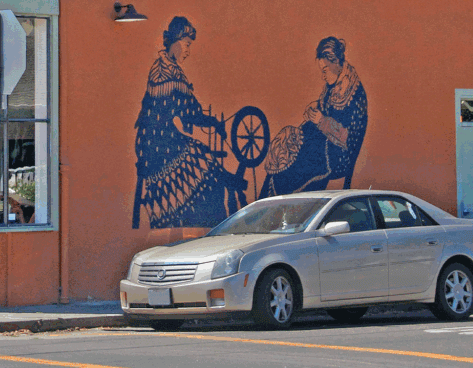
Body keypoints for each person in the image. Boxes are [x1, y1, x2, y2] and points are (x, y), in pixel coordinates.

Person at [132, 16, 244, 229]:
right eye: (186, 44)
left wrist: (209, 122)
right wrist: (214, 123)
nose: (188, 50)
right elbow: (190, 113)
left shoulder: (164, 68)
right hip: (160, 147)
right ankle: (213, 224)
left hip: (154, 143)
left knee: (205, 157)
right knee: (207, 166)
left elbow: (186, 112)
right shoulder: (167, 74)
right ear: (174, 42)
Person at [260, 37, 368, 197]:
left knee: (295, 163)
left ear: (336, 61)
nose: (323, 75)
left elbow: (348, 138)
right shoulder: (333, 85)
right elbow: (326, 107)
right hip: (320, 143)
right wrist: (314, 108)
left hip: (336, 156)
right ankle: (263, 202)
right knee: (285, 144)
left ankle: (276, 204)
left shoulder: (354, 92)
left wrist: (321, 120)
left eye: (325, 70)